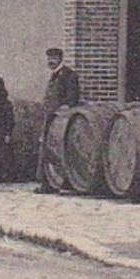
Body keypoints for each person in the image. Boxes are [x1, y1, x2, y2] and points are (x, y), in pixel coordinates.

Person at [35, 47, 82, 193]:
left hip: (60, 120)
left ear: (61, 58)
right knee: (47, 151)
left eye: (54, 58)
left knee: (59, 150)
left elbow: (72, 98)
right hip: (50, 118)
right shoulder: (54, 75)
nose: (51, 61)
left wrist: (64, 108)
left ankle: (58, 182)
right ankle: (47, 183)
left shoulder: (68, 75)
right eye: (49, 58)